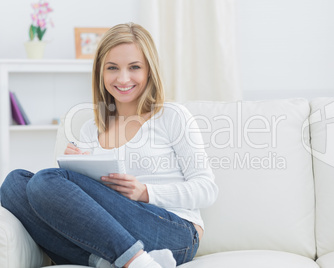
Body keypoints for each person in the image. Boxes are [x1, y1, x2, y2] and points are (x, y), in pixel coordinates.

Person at [0, 22, 218, 268]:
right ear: (100, 73)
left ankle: (133, 262)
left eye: (134, 67)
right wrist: (75, 169)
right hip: (111, 231)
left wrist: (145, 192)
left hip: (173, 231)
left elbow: (207, 189)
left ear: (149, 71)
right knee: (13, 184)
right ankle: (115, 260)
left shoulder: (172, 116)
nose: (123, 78)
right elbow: (67, 206)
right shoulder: (90, 129)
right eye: (112, 68)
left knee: (44, 180)